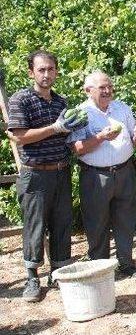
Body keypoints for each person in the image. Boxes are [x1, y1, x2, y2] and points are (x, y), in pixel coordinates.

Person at [7, 49, 87, 302]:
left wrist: (73, 129)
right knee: (35, 226)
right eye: (41, 69)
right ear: (31, 72)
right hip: (35, 174)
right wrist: (55, 128)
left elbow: (64, 135)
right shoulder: (21, 100)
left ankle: (59, 271)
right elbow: (18, 136)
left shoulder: (61, 103)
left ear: (56, 71)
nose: (46, 74)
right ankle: (32, 278)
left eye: (51, 69)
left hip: (60, 171)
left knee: (62, 222)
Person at [67, 71, 136, 278]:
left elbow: (134, 137)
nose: (108, 91)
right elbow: (78, 148)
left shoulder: (122, 108)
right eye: (102, 88)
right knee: (96, 223)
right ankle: (101, 269)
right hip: (94, 176)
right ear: (87, 90)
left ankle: (126, 264)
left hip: (124, 171)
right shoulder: (81, 113)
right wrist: (101, 137)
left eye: (109, 86)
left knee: (126, 220)